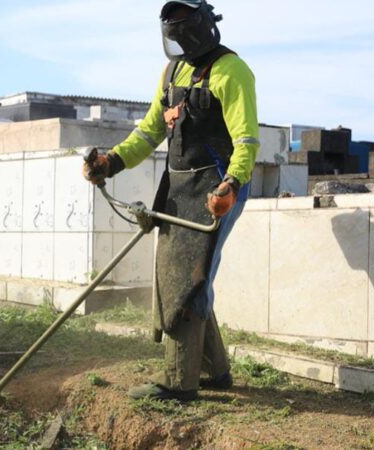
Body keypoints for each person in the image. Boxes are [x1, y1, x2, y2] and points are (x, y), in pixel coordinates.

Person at [83, 0, 259, 401]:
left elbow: (247, 140)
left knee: (188, 277)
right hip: (179, 187)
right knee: (183, 275)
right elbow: (149, 133)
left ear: (203, 23)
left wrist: (231, 185)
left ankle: (179, 382)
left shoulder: (232, 71)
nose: (180, 33)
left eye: (185, 23)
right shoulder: (172, 73)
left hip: (218, 187)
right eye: (173, 26)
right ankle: (214, 369)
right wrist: (111, 162)